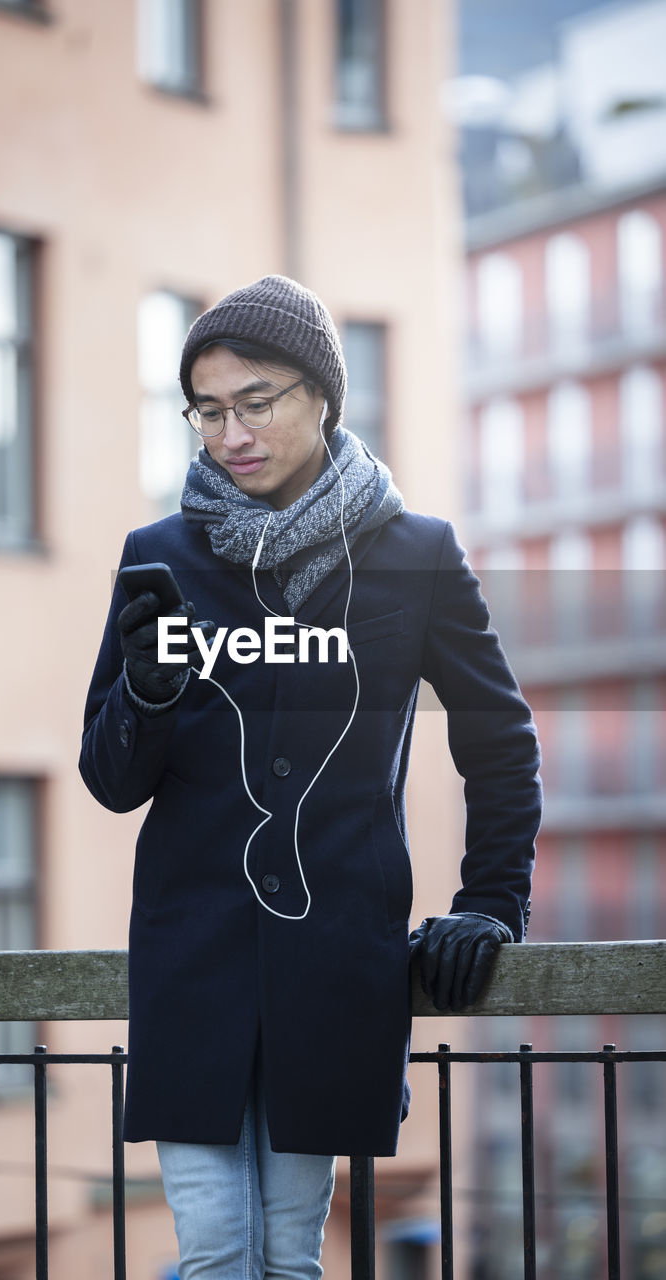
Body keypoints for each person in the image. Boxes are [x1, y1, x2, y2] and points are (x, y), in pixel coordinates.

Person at [79, 275, 541, 1280]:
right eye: (207, 409)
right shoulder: (156, 557)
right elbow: (110, 778)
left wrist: (491, 902)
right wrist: (149, 692)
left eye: (256, 400)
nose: (229, 430)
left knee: (288, 1254)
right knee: (211, 1252)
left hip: (336, 956)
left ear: (322, 396)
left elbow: (497, 737)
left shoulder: (415, 555)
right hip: (188, 955)